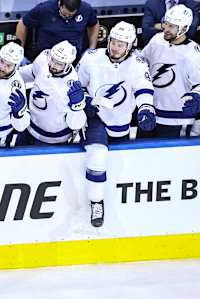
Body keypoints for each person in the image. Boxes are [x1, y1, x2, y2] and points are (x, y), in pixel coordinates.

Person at [76, 21, 156, 227]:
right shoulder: (92, 59)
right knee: (97, 156)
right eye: (113, 42)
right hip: (96, 117)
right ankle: (96, 203)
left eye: (121, 44)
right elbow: (76, 85)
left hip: (121, 120)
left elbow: (143, 88)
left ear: (130, 46)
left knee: (118, 164)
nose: (115, 47)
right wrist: (84, 101)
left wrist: (146, 108)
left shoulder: (137, 63)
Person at [140, 5, 200, 138]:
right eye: (166, 23)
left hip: (177, 119)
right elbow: (141, 63)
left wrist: (197, 95)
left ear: (184, 28)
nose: (166, 29)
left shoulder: (193, 53)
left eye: (172, 26)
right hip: (151, 114)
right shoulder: (156, 40)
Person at [17, 40, 87, 145]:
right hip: (28, 127)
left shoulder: (72, 87)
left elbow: (75, 124)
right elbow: (30, 72)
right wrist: (11, 75)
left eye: (58, 64)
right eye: (52, 60)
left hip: (53, 139)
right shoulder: (44, 59)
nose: (52, 65)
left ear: (68, 64)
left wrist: (77, 107)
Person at [15, 0, 99, 61]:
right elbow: (22, 24)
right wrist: (19, 52)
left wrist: (91, 48)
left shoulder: (86, 9)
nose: (67, 17)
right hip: (46, 59)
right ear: (60, 4)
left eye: (71, 15)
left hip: (74, 60)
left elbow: (94, 24)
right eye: (65, 14)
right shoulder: (44, 9)